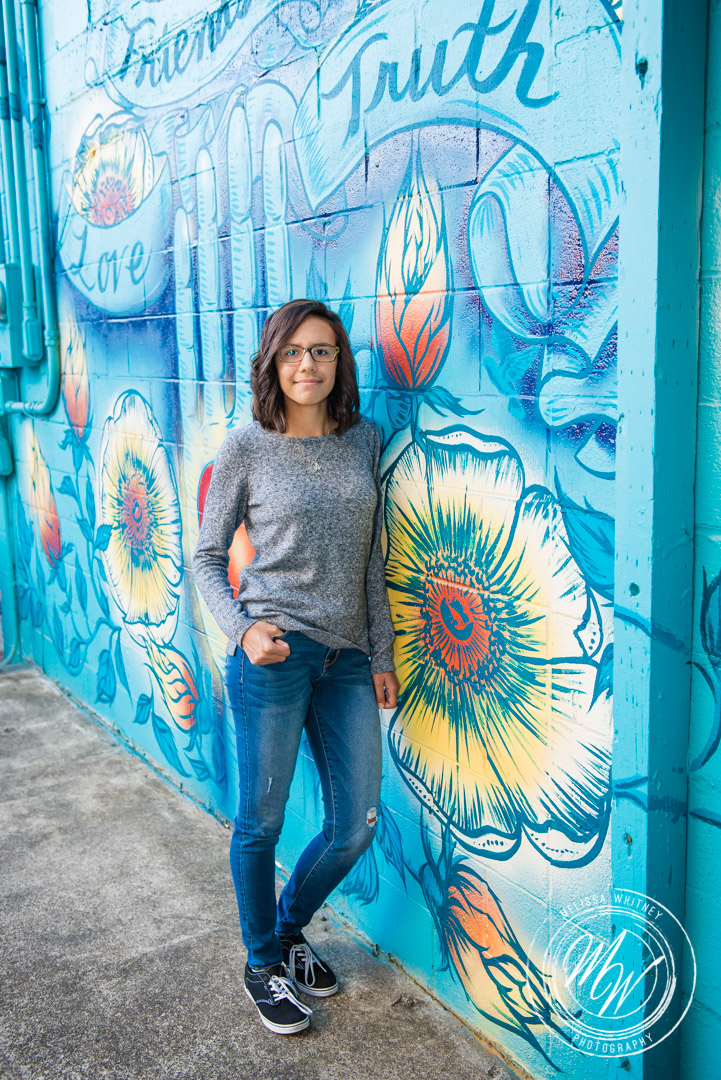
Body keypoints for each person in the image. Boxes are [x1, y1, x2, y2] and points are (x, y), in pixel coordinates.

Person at [192, 298, 399, 1035]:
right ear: (272, 364)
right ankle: (261, 964)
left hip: (347, 660)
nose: (307, 365)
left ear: (339, 362)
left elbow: (370, 558)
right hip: (273, 655)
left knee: (355, 825)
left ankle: (286, 931)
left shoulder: (364, 440)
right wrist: (244, 631)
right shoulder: (246, 448)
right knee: (261, 823)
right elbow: (206, 557)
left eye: (321, 351)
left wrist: (380, 653)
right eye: (292, 352)